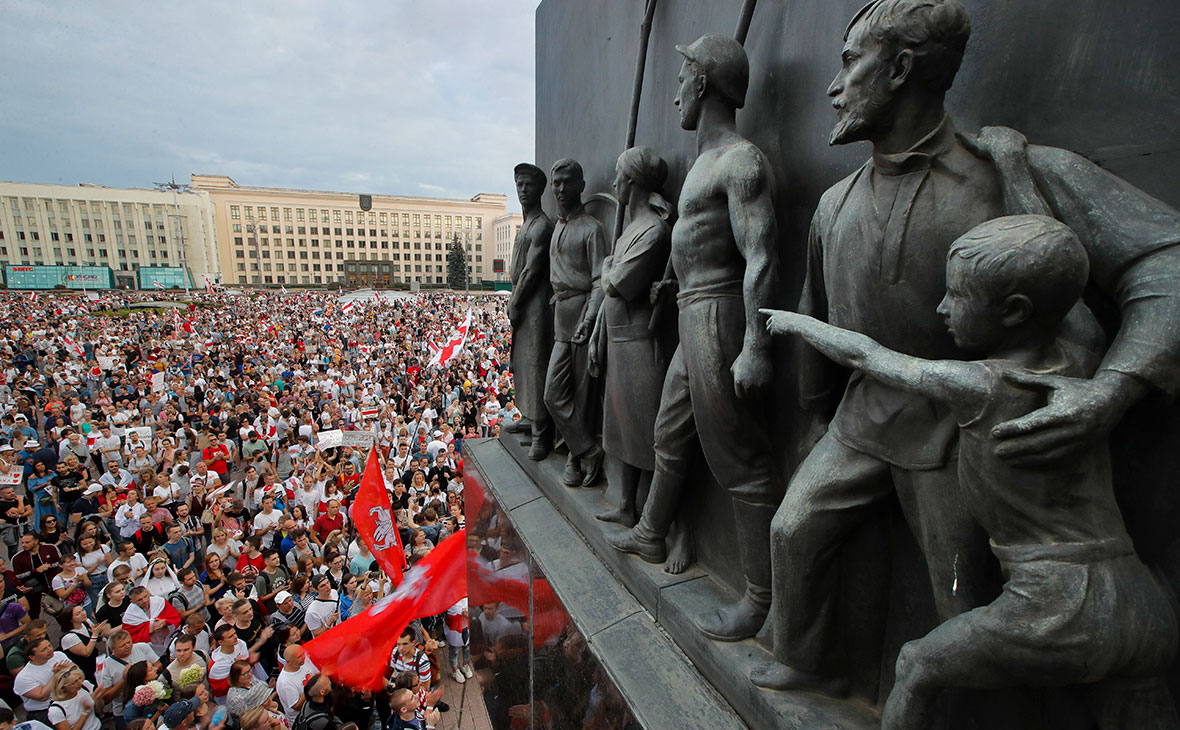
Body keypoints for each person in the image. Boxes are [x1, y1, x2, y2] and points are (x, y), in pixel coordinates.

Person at [754, 0, 1180, 694]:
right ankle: (803, 659)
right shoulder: (834, 204)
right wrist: (813, 415)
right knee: (793, 529)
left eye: (848, 61)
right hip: (865, 415)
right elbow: (817, 315)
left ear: (898, 69)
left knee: (960, 594)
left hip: (964, 429)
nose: (833, 87)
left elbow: (1167, 261)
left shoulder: (1018, 171)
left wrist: (1114, 389)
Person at [764, 216, 1180, 728]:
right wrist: (1014, 165)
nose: (942, 307)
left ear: (1013, 312)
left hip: (1057, 604)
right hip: (1144, 602)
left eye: (956, 296)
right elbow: (1067, 286)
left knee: (917, 664)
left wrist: (794, 323)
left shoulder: (978, 386)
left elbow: (866, 354)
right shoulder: (1084, 358)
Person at [608, 33, 782, 640]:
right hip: (688, 311)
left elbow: (759, 255)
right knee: (668, 433)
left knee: (740, 458)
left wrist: (756, 344)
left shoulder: (740, 161)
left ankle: (760, 598)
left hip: (717, 318)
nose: (677, 91)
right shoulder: (703, 165)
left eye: (683, 78)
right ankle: (653, 531)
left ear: (703, 83)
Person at [589, 146, 674, 531]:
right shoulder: (628, 232)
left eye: (619, 176)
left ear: (634, 182)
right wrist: (598, 337)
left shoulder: (654, 232)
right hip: (618, 342)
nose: (613, 183)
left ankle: (666, 520)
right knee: (621, 429)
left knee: (644, 432)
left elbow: (617, 284)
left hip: (640, 346)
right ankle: (626, 505)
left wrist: (608, 267)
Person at [542, 158, 608, 487]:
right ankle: (586, 449)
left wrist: (591, 316)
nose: (561, 189)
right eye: (556, 183)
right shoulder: (558, 227)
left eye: (568, 182)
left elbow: (600, 280)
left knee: (581, 395)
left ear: (581, 186)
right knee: (553, 394)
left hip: (583, 312)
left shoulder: (592, 228)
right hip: (561, 317)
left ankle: (574, 455)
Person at [505, 163, 556, 459]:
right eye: (519, 185)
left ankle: (541, 431)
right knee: (522, 364)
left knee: (536, 364)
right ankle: (527, 417)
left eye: (529, 185)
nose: (523, 191)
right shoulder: (525, 224)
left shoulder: (542, 226)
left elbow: (532, 271)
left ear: (540, 189)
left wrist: (517, 301)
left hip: (535, 304)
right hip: (523, 304)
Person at [13, 638, 77, 725]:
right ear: (32, 657)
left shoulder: (58, 655)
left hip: (68, 697)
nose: (50, 650)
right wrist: (56, 675)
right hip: (45, 711)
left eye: (49, 645)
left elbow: (75, 670)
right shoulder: (23, 677)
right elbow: (42, 696)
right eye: (44, 650)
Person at [46, 665, 101, 730]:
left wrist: (97, 699)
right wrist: (85, 712)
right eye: (74, 682)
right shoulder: (56, 710)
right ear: (63, 687)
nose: (80, 683)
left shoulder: (85, 686)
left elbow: (100, 711)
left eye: (79, 678)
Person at [275, 644, 317, 725]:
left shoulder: (304, 662)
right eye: (299, 656)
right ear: (288, 661)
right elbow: (297, 706)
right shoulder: (285, 682)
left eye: (303, 654)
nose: (303, 657)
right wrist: (309, 685)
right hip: (302, 720)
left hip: (315, 709)